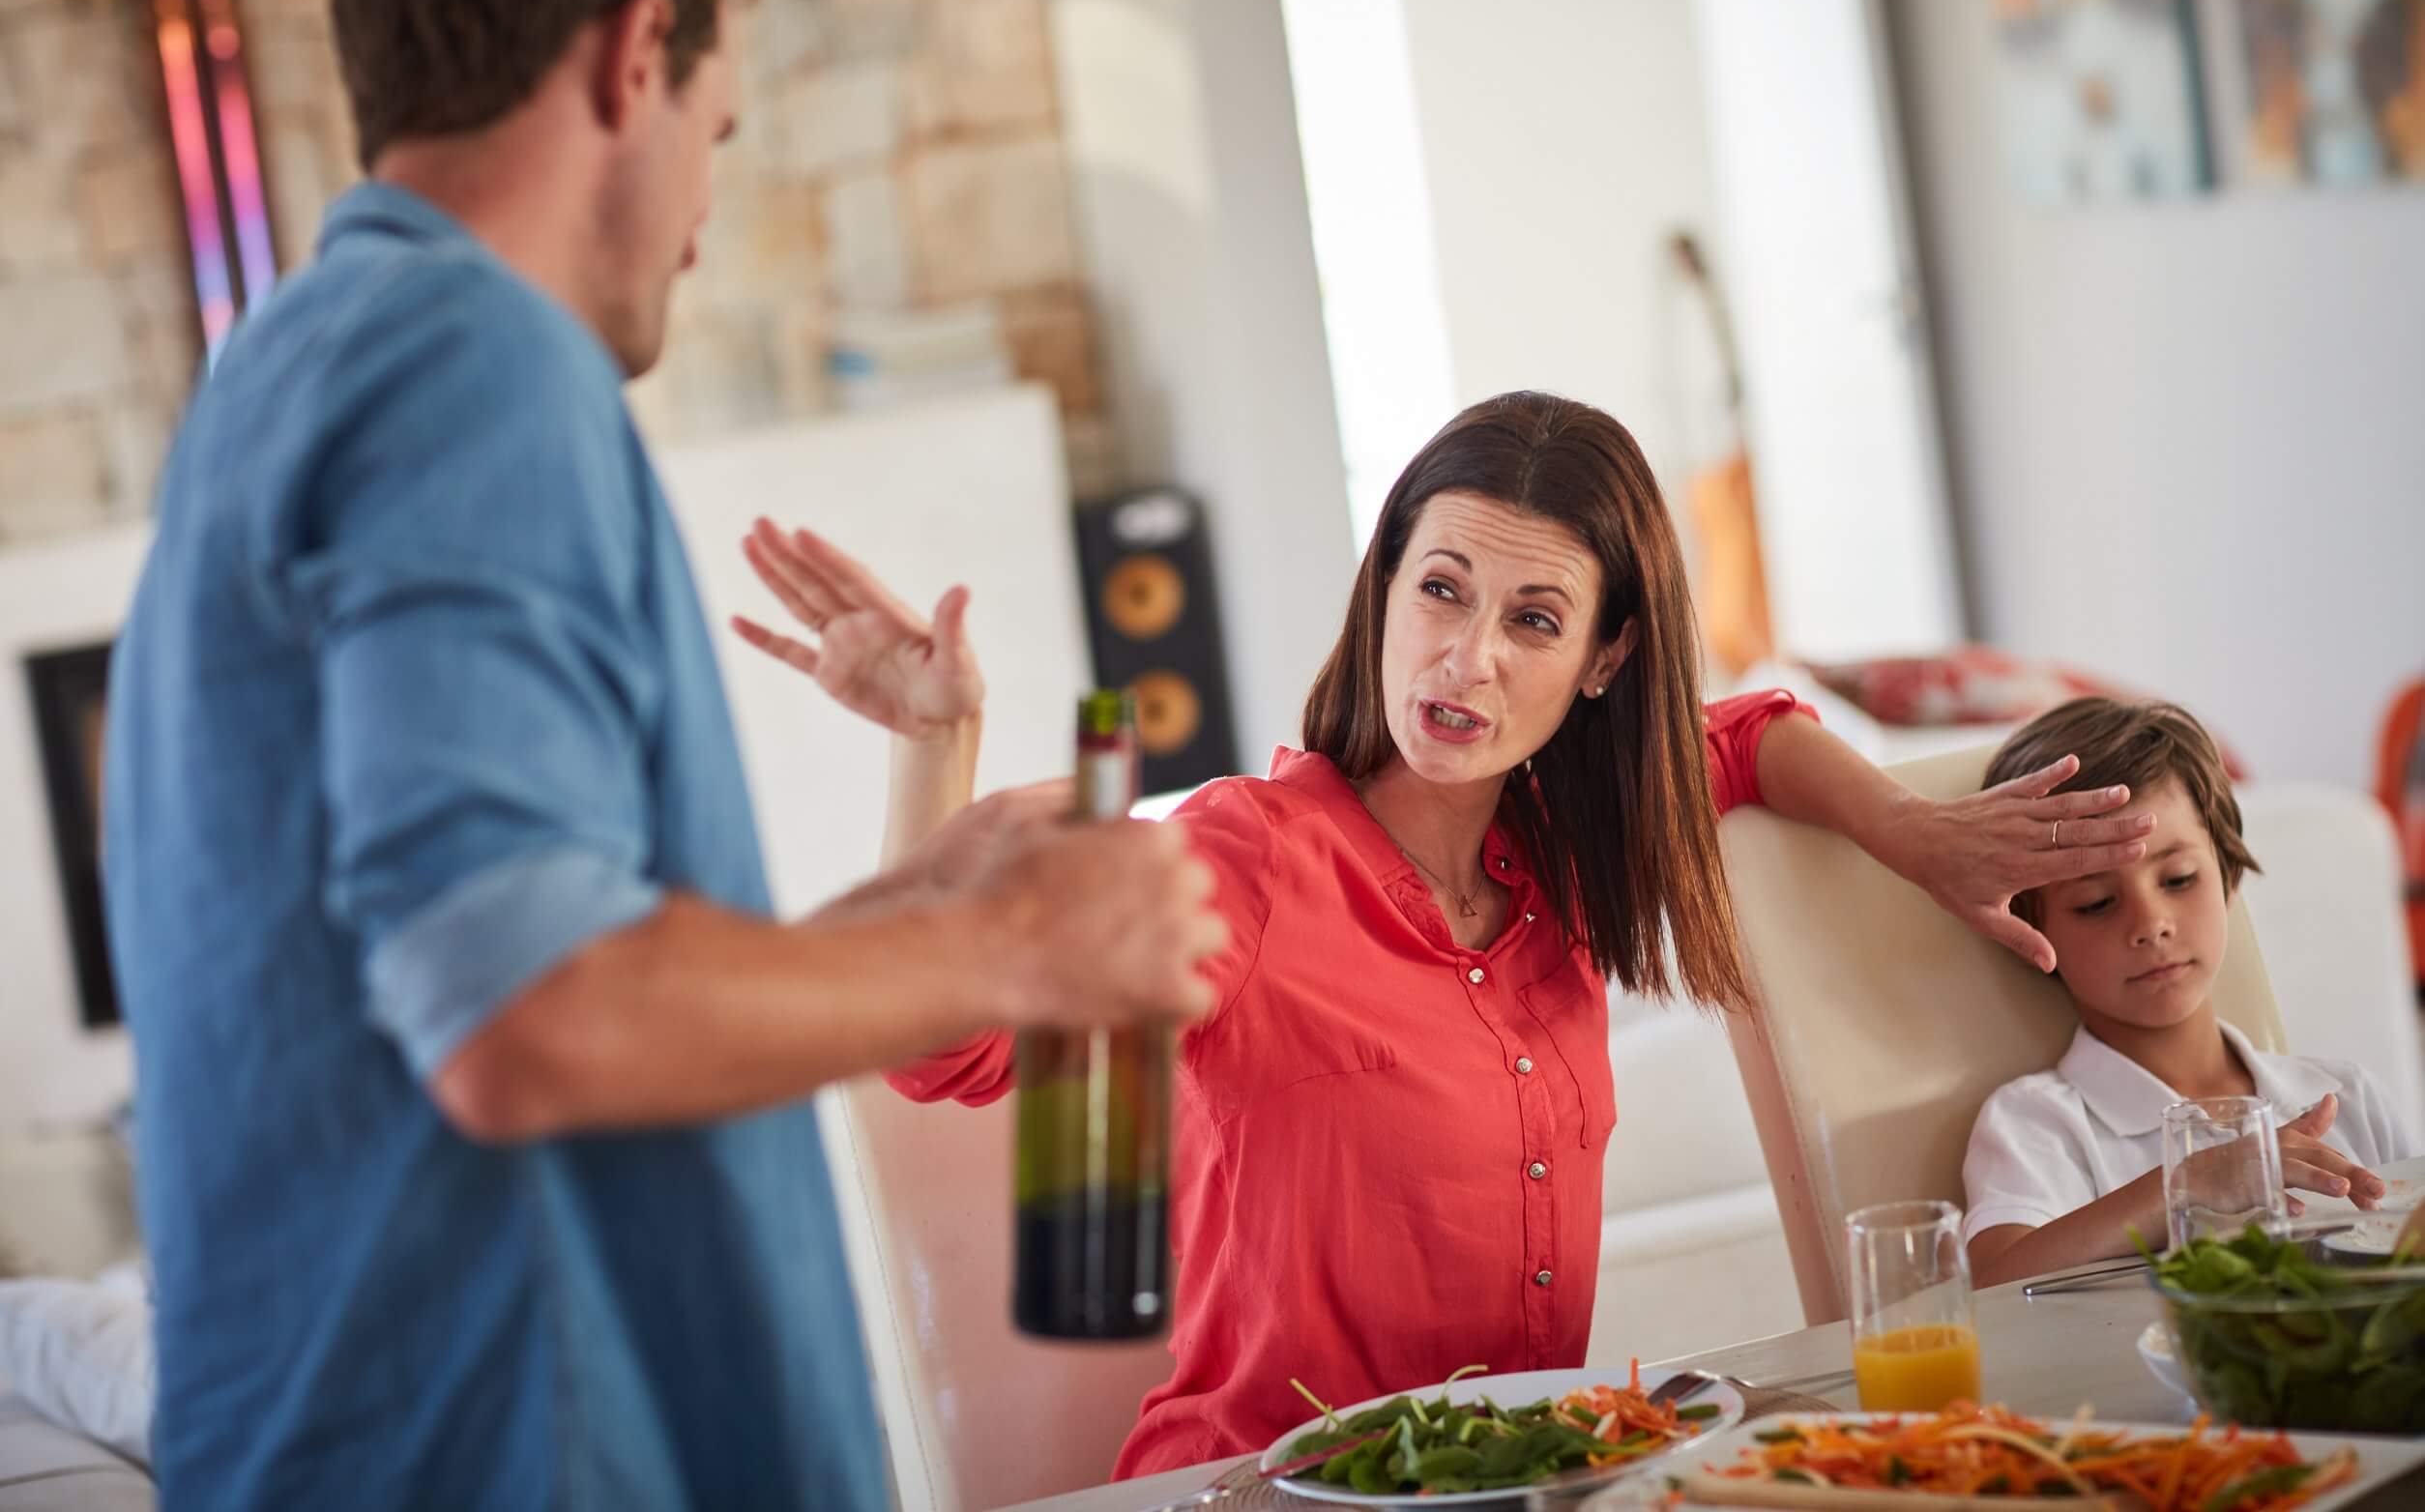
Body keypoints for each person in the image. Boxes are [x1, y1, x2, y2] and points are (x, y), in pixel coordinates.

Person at [99, 0, 1223, 1506]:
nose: (704, 211)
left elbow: (491, 969)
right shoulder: (471, 356)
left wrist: (914, 906)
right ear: (634, 56)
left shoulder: (276, 378)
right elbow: (521, 1013)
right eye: (719, 129)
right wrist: (1021, 945)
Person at [735, 390, 2152, 1473]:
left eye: (1535, 620)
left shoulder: (1571, 852)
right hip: (1257, 1493)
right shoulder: (1246, 858)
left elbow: (1743, 733)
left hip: (1511, 1483)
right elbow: (945, 1051)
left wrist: (1914, 833)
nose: (1468, 658)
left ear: (1604, 659)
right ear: (1386, 590)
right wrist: (936, 750)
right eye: (1442, 589)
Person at [1962, 698, 2419, 1288]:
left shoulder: (2346, 1098)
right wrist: (2187, 1183)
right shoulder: (2039, 1124)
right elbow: (1992, 1289)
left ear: (2228, 874)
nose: (2151, 924)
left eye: (2178, 879)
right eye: (2096, 903)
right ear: (2030, 930)